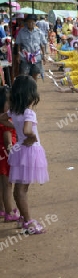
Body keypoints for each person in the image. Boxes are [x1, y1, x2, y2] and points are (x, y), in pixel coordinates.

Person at [0, 76, 48, 234]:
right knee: (22, 189)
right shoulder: (29, 113)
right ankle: (28, 222)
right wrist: (32, 137)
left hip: (19, 151)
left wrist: (14, 125)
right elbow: (28, 130)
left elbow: (1, 118)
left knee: (19, 188)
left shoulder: (13, 111)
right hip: (29, 151)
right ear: (30, 95)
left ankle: (22, 217)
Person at [0, 86, 18, 223]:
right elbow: (7, 139)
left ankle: (1, 209)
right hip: (5, 156)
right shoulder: (6, 123)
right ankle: (9, 212)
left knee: (1, 185)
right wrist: (11, 149)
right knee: (7, 186)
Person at [15, 14, 47, 81]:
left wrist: (44, 55)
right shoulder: (22, 32)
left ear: (35, 23)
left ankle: (33, 89)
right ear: (26, 22)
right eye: (29, 22)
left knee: (35, 73)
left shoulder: (39, 32)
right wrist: (18, 56)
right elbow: (18, 44)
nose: (31, 23)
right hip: (25, 57)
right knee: (24, 74)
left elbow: (42, 45)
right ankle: (26, 90)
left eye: (32, 22)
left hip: (36, 57)